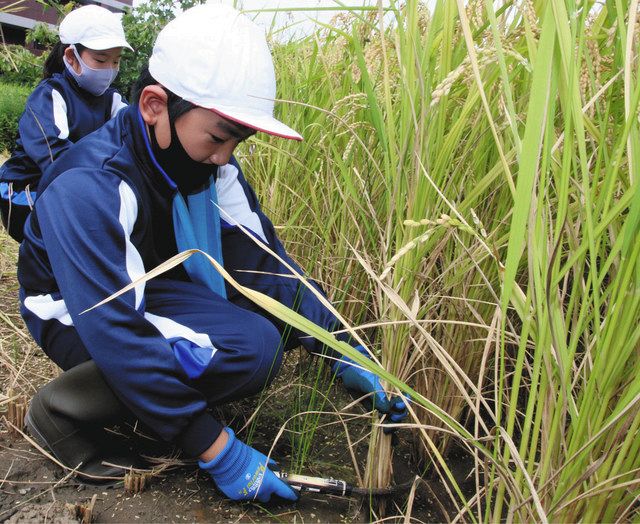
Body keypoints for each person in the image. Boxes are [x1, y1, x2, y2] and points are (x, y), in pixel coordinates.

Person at [19, 4, 407, 502]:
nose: (226, 156)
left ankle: (161, 396)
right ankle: (63, 408)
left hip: (149, 282)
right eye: (219, 137)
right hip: (74, 308)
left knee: (266, 322)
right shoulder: (90, 185)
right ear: (155, 105)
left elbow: (262, 261)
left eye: (237, 141)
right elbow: (114, 325)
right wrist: (213, 446)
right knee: (250, 350)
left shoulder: (211, 167)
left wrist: (340, 342)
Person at [0, 5, 132, 242]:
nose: (110, 70)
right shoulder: (50, 95)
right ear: (71, 56)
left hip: (73, 186)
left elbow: (134, 134)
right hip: (24, 192)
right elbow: (56, 159)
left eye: (116, 61)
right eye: (101, 60)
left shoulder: (112, 100)